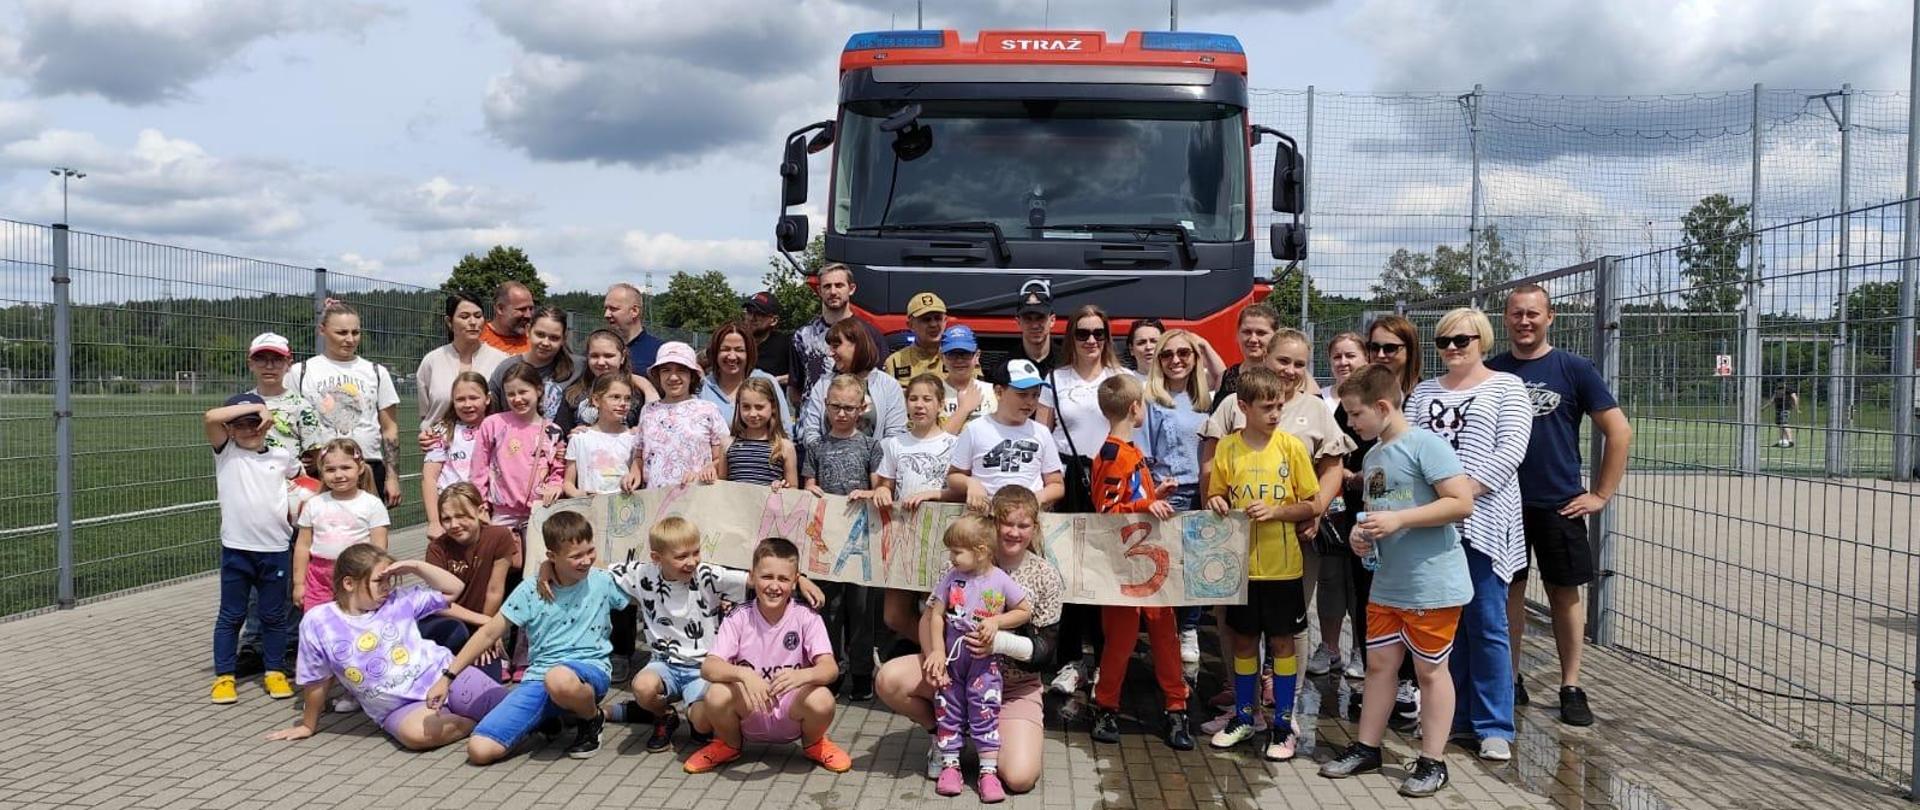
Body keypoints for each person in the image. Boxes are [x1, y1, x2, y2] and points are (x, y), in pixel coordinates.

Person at [1318, 364, 1478, 798]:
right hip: (1388, 583)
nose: (1350, 424)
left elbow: (1461, 502)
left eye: (1355, 415)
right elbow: (1377, 513)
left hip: (1432, 583)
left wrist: (1400, 519)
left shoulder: (1426, 445)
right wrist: (1360, 534)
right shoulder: (1372, 456)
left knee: (1429, 670)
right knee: (1379, 666)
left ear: (1383, 406)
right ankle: (1368, 747)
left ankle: (1433, 760)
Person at [1487, 284, 1632, 725]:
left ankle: (1571, 685)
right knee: (1507, 593)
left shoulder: (1573, 369)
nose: (1524, 321)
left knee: (1563, 595)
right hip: (1504, 504)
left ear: (1550, 317)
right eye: (1516, 314)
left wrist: (1601, 495)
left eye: (1533, 313)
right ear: (1506, 319)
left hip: (1559, 504)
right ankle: (1508, 680)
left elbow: (1619, 432)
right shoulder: (1492, 372)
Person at [874, 485, 1061, 792]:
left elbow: (1045, 652)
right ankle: (945, 735)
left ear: (1034, 528)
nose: (1014, 532)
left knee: (1019, 777)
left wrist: (998, 640)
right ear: (992, 523)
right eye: (1007, 523)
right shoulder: (958, 563)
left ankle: (987, 736)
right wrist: (934, 654)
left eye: (1023, 525)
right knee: (888, 679)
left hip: (1013, 686)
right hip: (955, 670)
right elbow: (931, 615)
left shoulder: (1045, 575)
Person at [1407, 307, 1532, 762]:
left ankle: (1494, 723)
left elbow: (1511, 450)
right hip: (1432, 525)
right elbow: (1408, 449)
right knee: (1442, 626)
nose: (1454, 348)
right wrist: (1432, 504)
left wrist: (1461, 492)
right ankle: (1453, 718)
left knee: (1487, 622)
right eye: (1445, 342)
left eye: (1463, 339)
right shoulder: (1422, 394)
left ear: (1482, 340)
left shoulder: (1507, 387)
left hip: (1483, 523)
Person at [1201, 328, 1353, 690]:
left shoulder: (1314, 408)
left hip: (1293, 536)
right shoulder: (1232, 404)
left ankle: (1287, 701)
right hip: (1238, 539)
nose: (1290, 370)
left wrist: (1313, 513)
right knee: (1234, 619)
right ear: (1266, 357)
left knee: (1291, 624)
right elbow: (1210, 461)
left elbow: (1331, 469)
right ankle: (1239, 694)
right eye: (1283, 360)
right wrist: (1212, 498)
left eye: (1299, 364)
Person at [433, 511, 631, 764]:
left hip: (588, 670)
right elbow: (489, 632)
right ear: (552, 556)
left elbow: (646, 586)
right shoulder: (530, 589)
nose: (586, 560)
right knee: (480, 750)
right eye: (576, 556)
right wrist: (448, 677)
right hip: (539, 676)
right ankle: (554, 716)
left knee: (558, 678)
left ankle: (591, 718)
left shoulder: (602, 580)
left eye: (589, 551)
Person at [268, 544, 508, 750]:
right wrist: (308, 725)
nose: (387, 587)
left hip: (444, 676)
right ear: (349, 583)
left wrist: (415, 566)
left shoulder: (399, 599)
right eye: (378, 581)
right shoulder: (318, 622)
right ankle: (477, 722)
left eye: (389, 580)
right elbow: (316, 680)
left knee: (507, 707)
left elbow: (454, 589)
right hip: (401, 708)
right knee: (417, 736)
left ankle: (497, 717)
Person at [1204, 366, 1322, 761]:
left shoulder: (1291, 447)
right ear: (1243, 407)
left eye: (1279, 406)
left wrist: (1277, 511)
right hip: (1240, 568)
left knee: (1282, 642)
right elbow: (1217, 496)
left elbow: (1312, 503)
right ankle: (1243, 715)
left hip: (1283, 568)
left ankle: (1284, 725)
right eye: (1267, 407)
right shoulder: (1227, 448)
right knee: (1241, 640)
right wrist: (1217, 502)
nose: (1275, 414)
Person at [683, 537, 854, 775]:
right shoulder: (738, 616)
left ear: (795, 582)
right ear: (752, 577)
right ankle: (728, 744)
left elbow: (830, 668)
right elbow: (709, 667)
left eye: (783, 579)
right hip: (751, 708)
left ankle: (815, 743)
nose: (774, 586)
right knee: (717, 694)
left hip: (790, 710)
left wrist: (804, 675)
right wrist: (743, 674)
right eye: (767, 577)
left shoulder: (807, 617)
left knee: (822, 698)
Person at [1086, 374, 1192, 750]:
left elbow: (1130, 496)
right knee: (1121, 639)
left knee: (1166, 635)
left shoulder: (1128, 453)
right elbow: (1107, 511)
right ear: (1135, 409)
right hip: (1123, 565)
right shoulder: (1114, 454)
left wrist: (1154, 491)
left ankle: (1176, 707)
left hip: (1150, 561)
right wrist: (1146, 504)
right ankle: (1106, 705)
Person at [1039, 304, 1125, 697]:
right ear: (1070, 337)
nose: (1091, 340)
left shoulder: (1122, 377)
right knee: (1069, 569)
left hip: (1112, 477)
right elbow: (1041, 434)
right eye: (1083, 333)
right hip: (1070, 477)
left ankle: (1107, 661)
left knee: (1107, 571)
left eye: (1099, 332)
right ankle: (1071, 660)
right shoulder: (1054, 380)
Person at [924, 514, 1034, 801]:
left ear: (981, 550)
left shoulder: (999, 579)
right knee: (948, 708)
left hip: (984, 663)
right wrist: (937, 650)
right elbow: (936, 615)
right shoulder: (951, 577)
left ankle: (988, 771)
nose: (952, 558)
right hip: (952, 662)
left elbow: (1024, 610)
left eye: (957, 551)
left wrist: (997, 623)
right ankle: (950, 765)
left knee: (985, 711)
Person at [205, 392, 301, 704]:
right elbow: (210, 417)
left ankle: (274, 671)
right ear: (230, 429)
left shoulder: (281, 456)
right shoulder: (226, 452)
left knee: (273, 615)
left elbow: (304, 484)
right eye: (240, 424)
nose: (249, 429)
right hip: (237, 549)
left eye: (255, 423)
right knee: (231, 615)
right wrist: (260, 408)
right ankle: (224, 677)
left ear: (267, 425)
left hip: (275, 548)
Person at [234, 332, 321, 676]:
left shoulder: (302, 407)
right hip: (252, 504)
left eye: (276, 359)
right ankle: (252, 643)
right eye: (261, 359)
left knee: (287, 575)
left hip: (291, 504)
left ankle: (288, 642)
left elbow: (315, 456)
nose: (269, 366)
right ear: (250, 362)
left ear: (289, 362)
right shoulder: (240, 405)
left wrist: (302, 492)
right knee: (254, 575)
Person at [802, 373, 885, 700]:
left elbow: (880, 485)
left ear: (861, 407)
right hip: (825, 541)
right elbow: (808, 484)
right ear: (825, 405)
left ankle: (862, 671)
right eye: (836, 406)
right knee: (829, 608)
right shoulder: (815, 446)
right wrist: (811, 490)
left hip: (861, 541)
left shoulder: (870, 445)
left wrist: (870, 493)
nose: (842, 413)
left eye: (849, 407)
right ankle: (831, 669)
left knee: (862, 610)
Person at [1139, 328, 1213, 664]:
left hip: (1207, 490)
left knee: (1197, 566)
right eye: (1167, 355)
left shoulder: (1209, 399)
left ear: (1195, 358)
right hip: (1170, 490)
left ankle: (1190, 628)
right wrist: (1150, 490)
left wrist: (1204, 343)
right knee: (1166, 568)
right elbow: (1142, 452)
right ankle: (1166, 632)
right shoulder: (1150, 399)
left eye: (1184, 353)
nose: (1175, 361)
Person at [874, 373, 959, 643]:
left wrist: (931, 494)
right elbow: (886, 484)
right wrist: (881, 491)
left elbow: (959, 492)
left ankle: (940, 659)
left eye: (926, 399)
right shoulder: (895, 444)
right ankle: (932, 651)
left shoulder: (954, 444)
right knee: (893, 615)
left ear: (940, 404)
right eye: (913, 399)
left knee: (934, 608)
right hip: (904, 537)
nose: (919, 405)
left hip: (941, 539)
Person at [292, 300, 402, 507]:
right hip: (321, 470)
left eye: (355, 332)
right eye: (341, 333)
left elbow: (390, 429)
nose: (350, 339)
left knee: (367, 536)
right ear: (322, 330)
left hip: (367, 467)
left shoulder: (376, 372)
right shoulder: (301, 372)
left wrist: (392, 476)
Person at [947, 359, 1067, 512]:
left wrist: (1038, 498)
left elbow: (1056, 484)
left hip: (1027, 519)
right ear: (999, 392)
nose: (1030, 402)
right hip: (986, 516)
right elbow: (954, 476)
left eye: (1035, 395)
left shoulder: (1041, 432)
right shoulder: (975, 429)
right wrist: (970, 484)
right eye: (1022, 395)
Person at [422, 483, 514, 680]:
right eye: (446, 519)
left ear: (480, 510)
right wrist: (487, 623)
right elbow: (440, 603)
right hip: (448, 623)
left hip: (482, 622)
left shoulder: (500, 537)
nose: (454, 524)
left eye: (462, 516)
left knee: (487, 683)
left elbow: (494, 590)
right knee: (455, 631)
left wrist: (485, 633)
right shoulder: (437, 549)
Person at [1322, 331, 1372, 681]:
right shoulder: (1324, 400)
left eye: (1351, 355)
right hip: (1332, 502)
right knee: (1330, 577)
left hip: (1365, 501)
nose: (1343, 362)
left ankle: (1360, 647)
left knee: (1361, 579)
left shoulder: (1374, 398)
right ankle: (1328, 647)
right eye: (1337, 356)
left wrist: (1356, 476)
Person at [294, 439, 391, 614]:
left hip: (359, 574)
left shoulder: (372, 504)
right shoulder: (314, 504)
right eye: (330, 470)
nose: (338, 475)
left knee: (356, 623)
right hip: (318, 578)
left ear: (360, 468)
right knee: (319, 622)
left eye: (345, 468)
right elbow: (303, 546)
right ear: (321, 472)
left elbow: (379, 549)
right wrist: (299, 584)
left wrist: (376, 580)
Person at [470, 363, 565, 536]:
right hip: (501, 514)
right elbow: (479, 469)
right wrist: (479, 504)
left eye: (523, 392)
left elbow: (558, 470)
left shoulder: (553, 431)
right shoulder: (493, 424)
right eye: (510, 394)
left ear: (538, 390)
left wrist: (555, 486)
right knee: (501, 560)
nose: (517, 399)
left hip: (540, 511)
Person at [630, 341, 730, 490]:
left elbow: (721, 457)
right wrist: (634, 473)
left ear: (692, 375)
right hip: (654, 499)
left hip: (696, 497)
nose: (673, 377)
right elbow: (639, 456)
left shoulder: (708, 410)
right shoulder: (648, 411)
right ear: (658, 375)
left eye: (681, 370)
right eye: (666, 370)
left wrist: (709, 469)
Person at [796, 318, 908, 445]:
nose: (830, 353)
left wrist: (868, 459)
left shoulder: (888, 385)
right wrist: (826, 457)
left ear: (857, 345)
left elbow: (895, 435)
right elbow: (811, 432)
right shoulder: (823, 384)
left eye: (836, 346)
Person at [790, 263, 887, 407]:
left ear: (851, 289)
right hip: (813, 425)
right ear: (819, 290)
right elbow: (795, 390)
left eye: (839, 285)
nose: (833, 291)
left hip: (857, 423)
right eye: (827, 286)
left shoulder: (869, 334)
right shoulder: (802, 336)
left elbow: (880, 384)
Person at [418, 292, 511, 433]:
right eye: (464, 317)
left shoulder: (502, 361)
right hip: (440, 449)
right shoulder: (431, 361)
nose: (473, 322)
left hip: (488, 449)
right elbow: (426, 415)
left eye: (478, 316)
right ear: (449, 322)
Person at [422, 371, 490, 540]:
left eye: (473, 398)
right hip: (452, 513)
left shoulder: (497, 427)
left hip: (487, 510)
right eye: (460, 399)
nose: (467, 404)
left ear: (487, 399)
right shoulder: (442, 431)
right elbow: (429, 478)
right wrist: (434, 522)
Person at [489, 306, 579, 428]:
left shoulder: (578, 368)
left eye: (554, 338)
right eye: (540, 335)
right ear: (528, 330)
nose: (546, 343)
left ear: (564, 338)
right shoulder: (507, 369)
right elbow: (491, 413)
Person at [698, 321, 793, 425]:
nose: (732, 357)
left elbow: (785, 430)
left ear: (749, 353)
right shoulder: (702, 388)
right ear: (715, 352)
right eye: (725, 349)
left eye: (739, 350)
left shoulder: (767, 382)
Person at [563, 328, 657, 431]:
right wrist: (570, 435)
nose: (601, 362)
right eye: (594, 356)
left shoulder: (637, 394)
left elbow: (655, 429)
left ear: (622, 357)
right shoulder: (573, 394)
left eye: (608, 356)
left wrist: (639, 432)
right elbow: (560, 434)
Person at [562, 376, 639, 499]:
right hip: (590, 509)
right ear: (596, 400)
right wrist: (578, 494)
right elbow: (568, 482)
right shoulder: (580, 439)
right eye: (615, 397)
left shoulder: (633, 439)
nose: (623, 403)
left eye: (628, 398)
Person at [718, 377, 799, 488]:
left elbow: (793, 488)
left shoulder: (784, 446)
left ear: (773, 407)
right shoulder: (727, 444)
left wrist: (783, 487)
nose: (752, 413)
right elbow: (721, 486)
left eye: (759, 407)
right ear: (739, 406)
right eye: (746, 407)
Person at [1211, 304, 1280, 412]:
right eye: (1247, 332)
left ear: (1275, 337)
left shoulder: (1284, 376)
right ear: (1237, 335)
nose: (1253, 339)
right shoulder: (1225, 378)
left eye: (1261, 333)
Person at [937, 324, 996, 434]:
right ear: (942, 357)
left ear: (977, 356)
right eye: (952, 354)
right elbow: (933, 441)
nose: (959, 360)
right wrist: (964, 409)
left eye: (965, 354)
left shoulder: (992, 393)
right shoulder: (932, 393)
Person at [885, 291, 949, 386]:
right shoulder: (895, 362)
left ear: (945, 321)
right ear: (910, 325)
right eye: (926, 319)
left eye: (938, 318)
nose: (933, 324)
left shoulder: (959, 358)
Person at [604, 282, 664, 374]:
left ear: (634, 311)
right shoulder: (599, 350)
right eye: (606, 309)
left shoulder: (659, 352)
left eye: (613, 309)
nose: (606, 315)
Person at [1012, 279, 1061, 378]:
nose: (1034, 325)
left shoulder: (1068, 364)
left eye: (1040, 318)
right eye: (1028, 319)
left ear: (1052, 320)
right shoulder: (1006, 368)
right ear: (1018, 322)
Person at [742, 292, 793, 386]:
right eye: (749, 311)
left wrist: (772, 381)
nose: (752, 318)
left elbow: (803, 375)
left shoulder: (786, 345)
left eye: (759, 313)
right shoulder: (736, 341)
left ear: (774, 320)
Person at [480, 281, 535, 355]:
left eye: (531, 309)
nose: (528, 315)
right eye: (522, 309)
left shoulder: (535, 341)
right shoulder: (478, 340)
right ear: (500, 309)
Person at [1770, 382, 1799, 447]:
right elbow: (1772, 400)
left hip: (1785, 409)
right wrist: (1764, 408)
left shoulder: (1789, 389)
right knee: (1780, 425)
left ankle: (1791, 441)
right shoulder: (1777, 390)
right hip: (1778, 409)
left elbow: (1795, 398)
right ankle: (1782, 441)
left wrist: (1796, 408)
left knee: (1784, 424)